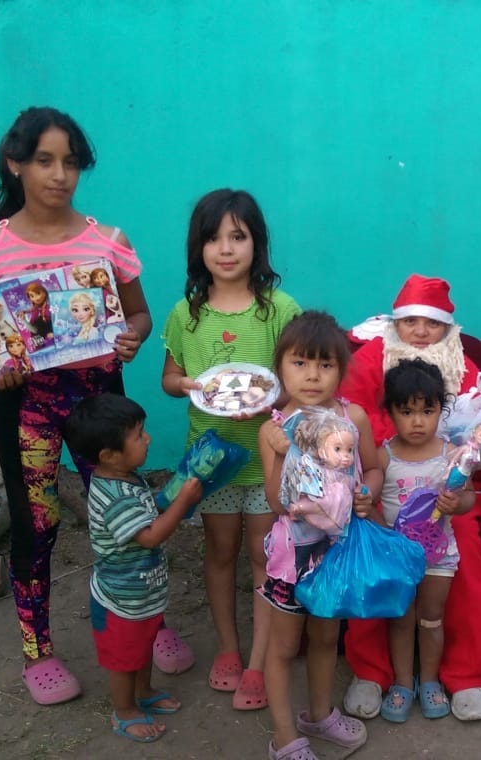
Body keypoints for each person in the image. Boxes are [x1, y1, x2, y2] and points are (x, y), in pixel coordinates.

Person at [0, 106, 169, 705]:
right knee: (39, 524)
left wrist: (134, 335)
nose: (60, 174)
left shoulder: (109, 242)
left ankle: (148, 622)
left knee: (128, 507)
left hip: (100, 397)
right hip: (29, 405)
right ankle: (38, 652)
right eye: (45, 160)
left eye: (70, 162)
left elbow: (140, 312)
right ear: (15, 163)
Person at [160, 188, 301, 710]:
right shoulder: (186, 314)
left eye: (238, 237)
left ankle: (260, 663)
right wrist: (190, 385)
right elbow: (169, 378)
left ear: (256, 245)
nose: (226, 249)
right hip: (211, 462)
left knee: (263, 559)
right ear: (199, 248)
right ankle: (228, 649)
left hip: (269, 459)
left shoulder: (279, 310)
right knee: (219, 555)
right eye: (214, 238)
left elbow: (296, 381)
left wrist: (272, 399)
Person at [340, 274, 481, 721]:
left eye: (431, 324)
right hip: (386, 485)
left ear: (447, 327)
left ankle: (463, 676)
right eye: (410, 321)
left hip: (445, 493)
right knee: (371, 563)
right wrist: (402, 437)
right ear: (395, 323)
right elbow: (350, 410)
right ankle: (373, 672)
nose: (421, 332)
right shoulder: (375, 355)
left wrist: (468, 440)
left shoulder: (462, 361)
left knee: (468, 557)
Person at [257, 311, 380, 760]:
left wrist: (369, 494)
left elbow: (376, 467)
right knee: (285, 645)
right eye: (300, 363)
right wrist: (284, 453)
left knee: (328, 637)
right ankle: (286, 737)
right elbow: (276, 502)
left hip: (339, 552)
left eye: (325, 364)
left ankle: (320, 714)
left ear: (341, 371)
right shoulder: (273, 429)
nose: (312, 375)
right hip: (295, 555)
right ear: (281, 369)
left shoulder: (355, 418)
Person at [62, 393, 204, 743]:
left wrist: (168, 497)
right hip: (121, 602)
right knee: (125, 659)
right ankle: (124, 711)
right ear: (109, 455)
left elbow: (148, 510)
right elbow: (150, 535)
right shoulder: (114, 496)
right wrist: (184, 501)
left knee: (143, 648)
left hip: (143, 595)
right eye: (139, 435)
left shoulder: (126, 478)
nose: (148, 438)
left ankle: (144, 693)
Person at [376, 358, 473, 722]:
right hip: (396, 557)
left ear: (440, 411)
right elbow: (368, 498)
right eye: (407, 411)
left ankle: (429, 680)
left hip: (438, 557)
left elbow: (470, 498)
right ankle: (403, 682)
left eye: (427, 410)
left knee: (431, 618)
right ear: (390, 412)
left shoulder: (452, 457)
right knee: (401, 618)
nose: (417, 421)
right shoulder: (382, 456)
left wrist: (457, 501)